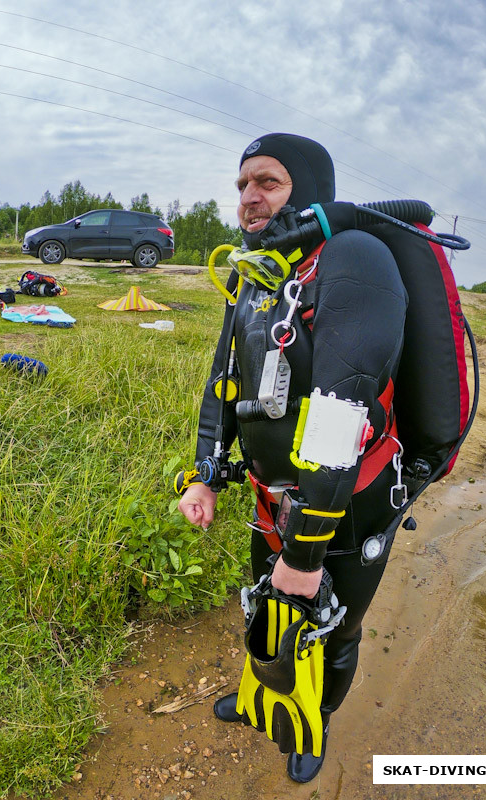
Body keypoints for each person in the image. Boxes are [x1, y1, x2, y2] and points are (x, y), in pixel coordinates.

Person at [178, 133, 408, 783]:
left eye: (268, 182)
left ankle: (318, 719)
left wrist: (305, 557)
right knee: (264, 605)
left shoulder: (355, 259)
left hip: (353, 504)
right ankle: (261, 701)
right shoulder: (250, 276)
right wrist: (205, 473)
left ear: (307, 191)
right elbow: (223, 383)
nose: (249, 198)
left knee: (332, 626)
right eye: (242, 185)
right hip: (272, 498)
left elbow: (342, 413)